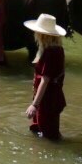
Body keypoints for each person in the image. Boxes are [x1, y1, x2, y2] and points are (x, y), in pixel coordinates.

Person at [23, 12, 69, 141]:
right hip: (48, 98)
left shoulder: (51, 52)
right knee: (41, 131)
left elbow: (45, 80)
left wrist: (34, 105)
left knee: (50, 137)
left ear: (42, 35)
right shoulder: (56, 49)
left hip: (48, 100)